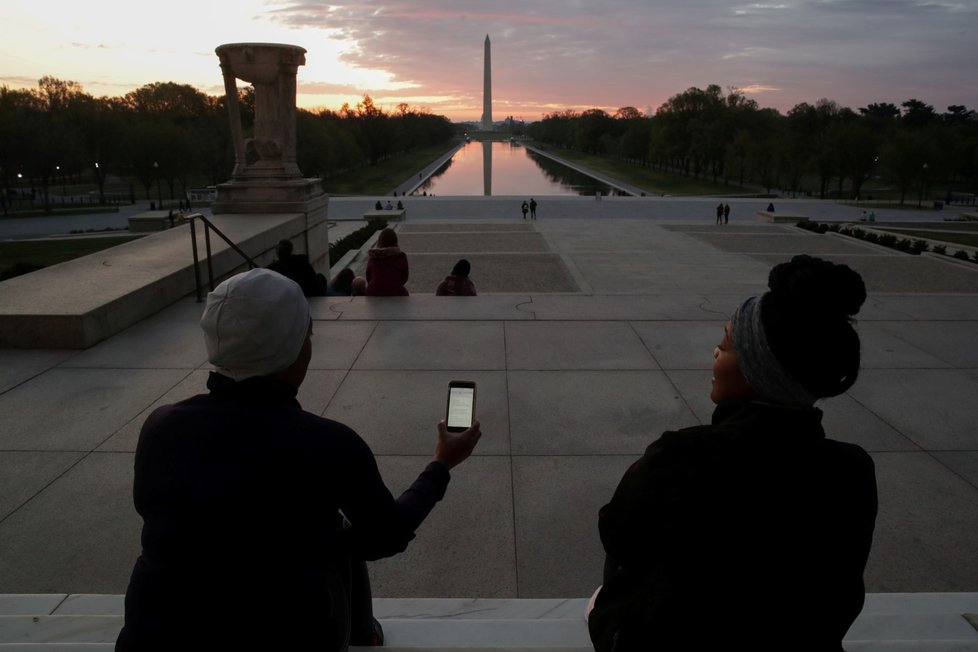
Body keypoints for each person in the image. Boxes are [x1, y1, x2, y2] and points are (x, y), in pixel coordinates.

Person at [116, 268, 482, 651]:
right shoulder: (327, 444)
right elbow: (386, 536)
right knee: (334, 531)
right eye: (307, 335)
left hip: (154, 633)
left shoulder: (160, 427)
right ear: (293, 349)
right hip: (284, 633)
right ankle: (363, 632)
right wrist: (440, 465)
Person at [587, 255, 878, 652]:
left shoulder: (682, 456)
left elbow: (617, 532)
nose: (715, 353)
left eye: (726, 346)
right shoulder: (852, 469)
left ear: (756, 371)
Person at [365, 227, 409, 296]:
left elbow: (368, 276)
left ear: (380, 241)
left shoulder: (374, 256)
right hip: (395, 291)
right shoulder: (400, 256)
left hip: (373, 291)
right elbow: (404, 277)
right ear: (395, 241)